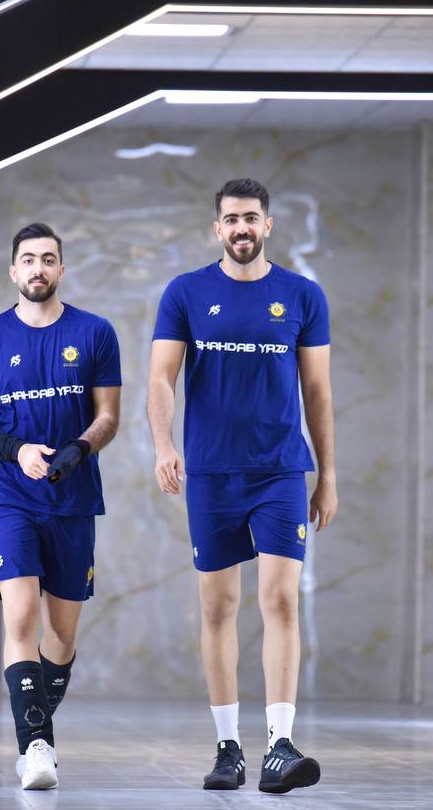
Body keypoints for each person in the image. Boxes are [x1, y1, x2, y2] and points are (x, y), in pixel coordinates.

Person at [147, 178, 336, 794]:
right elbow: (161, 378)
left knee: (280, 600)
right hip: (211, 473)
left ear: (268, 225)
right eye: (231, 219)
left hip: (280, 471)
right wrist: (164, 445)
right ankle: (228, 747)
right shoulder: (186, 293)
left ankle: (280, 744)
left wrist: (328, 474)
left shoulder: (302, 296)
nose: (241, 228)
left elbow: (317, 391)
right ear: (217, 229)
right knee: (218, 606)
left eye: (251, 218)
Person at [0, 222, 122, 790]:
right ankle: (36, 748)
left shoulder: (95, 333)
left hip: (74, 498)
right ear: (13, 271)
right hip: (10, 496)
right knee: (21, 616)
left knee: (63, 636)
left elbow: (108, 416)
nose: (38, 268)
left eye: (48, 259)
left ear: (61, 269)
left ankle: (36, 731)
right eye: (28, 259)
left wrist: (79, 449)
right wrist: (16, 450)